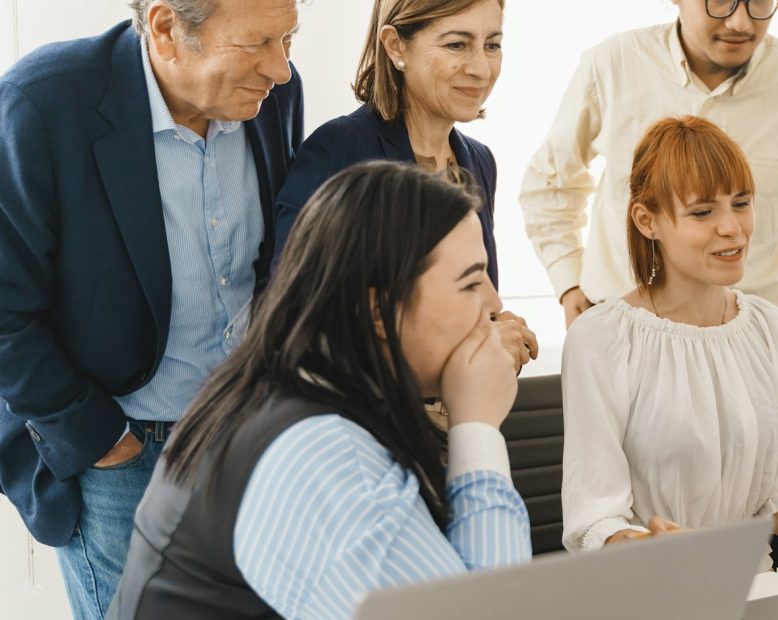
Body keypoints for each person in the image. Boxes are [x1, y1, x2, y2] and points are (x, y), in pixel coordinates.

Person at [110, 161, 531, 620]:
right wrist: (478, 426)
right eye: (471, 282)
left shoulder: (283, 389)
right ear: (377, 310)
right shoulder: (322, 457)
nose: (493, 303)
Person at [0, 0, 303, 616]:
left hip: (247, 435)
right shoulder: (41, 105)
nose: (281, 69)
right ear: (166, 29)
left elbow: (277, 262)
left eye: (289, 39)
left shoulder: (273, 97)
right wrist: (106, 442)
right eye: (256, 44)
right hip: (121, 453)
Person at [560, 116, 778, 564]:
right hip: (649, 594)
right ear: (647, 221)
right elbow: (594, 519)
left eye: (741, 203)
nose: (733, 228)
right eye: (703, 212)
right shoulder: (603, 338)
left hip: (755, 589)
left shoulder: (770, 329)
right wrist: (647, 546)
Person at [521, 0, 778, 362]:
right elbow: (549, 184)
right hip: (620, 339)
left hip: (753, 347)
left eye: (760, 2)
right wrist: (568, 282)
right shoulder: (611, 64)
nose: (741, 23)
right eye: (720, 1)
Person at [274, 0, 502, 287]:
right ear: (395, 46)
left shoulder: (480, 161)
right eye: (457, 44)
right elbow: (293, 305)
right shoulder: (340, 148)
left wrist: (494, 324)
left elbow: (473, 294)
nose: (482, 69)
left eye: (492, 45)